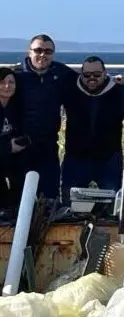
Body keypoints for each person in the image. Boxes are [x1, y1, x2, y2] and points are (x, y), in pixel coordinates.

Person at [61, 56, 124, 194]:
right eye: (87, 75)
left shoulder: (118, 93)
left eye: (97, 74)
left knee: (112, 202)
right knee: (69, 201)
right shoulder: (70, 90)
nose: (92, 78)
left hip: (109, 160)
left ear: (105, 73)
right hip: (75, 159)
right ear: (81, 73)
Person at [15, 34, 75, 199]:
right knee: (21, 199)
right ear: (29, 52)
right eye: (38, 50)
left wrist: (113, 81)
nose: (43, 55)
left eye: (48, 51)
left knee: (50, 198)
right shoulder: (16, 75)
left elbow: (88, 81)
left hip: (48, 147)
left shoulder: (61, 73)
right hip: (21, 147)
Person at [0, 67, 29, 212]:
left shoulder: (17, 107)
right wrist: (8, 147)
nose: (7, 86)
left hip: (14, 161)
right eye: (2, 82)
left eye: (11, 82)